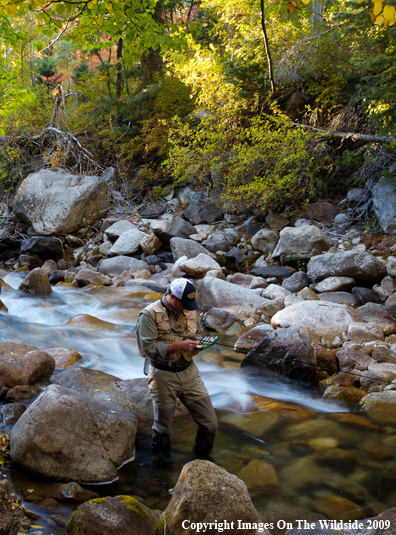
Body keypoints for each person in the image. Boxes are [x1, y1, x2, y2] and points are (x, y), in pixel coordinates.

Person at [136, 277, 218, 463]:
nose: (190, 308)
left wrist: (198, 344)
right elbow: (148, 349)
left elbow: (197, 333)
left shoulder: (190, 309)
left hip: (189, 373)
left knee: (210, 424)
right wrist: (178, 345)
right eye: (185, 303)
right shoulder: (149, 315)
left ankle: (203, 461)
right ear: (172, 297)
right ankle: (162, 466)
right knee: (163, 430)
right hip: (163, 375)